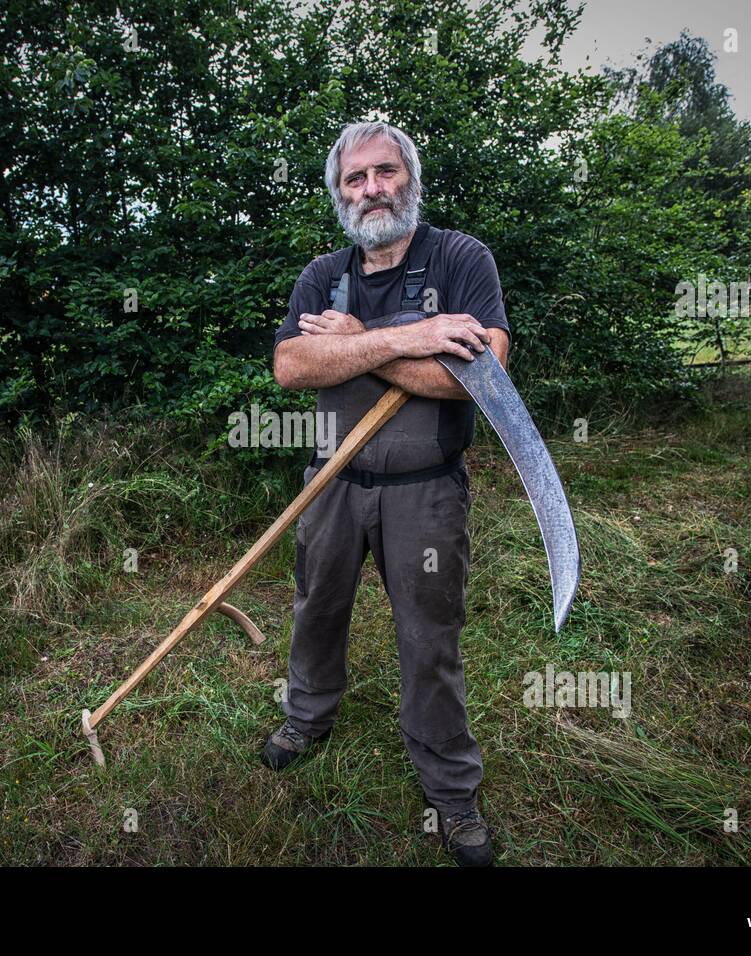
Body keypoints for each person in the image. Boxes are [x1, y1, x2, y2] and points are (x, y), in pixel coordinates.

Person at [267, 121, 512, 867]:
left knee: (428, 637)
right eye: (354, 179)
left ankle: (452, 791)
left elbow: (481, 375)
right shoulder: (323, 276)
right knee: (317, 609)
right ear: (340, 194)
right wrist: (408, 337)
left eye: (384, 171)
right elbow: (291, 367)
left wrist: (353, 346)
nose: (371, 188)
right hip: (333, 484)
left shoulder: (461, 259)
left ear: (410, 177)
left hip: (424, 491)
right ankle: (306, 718)